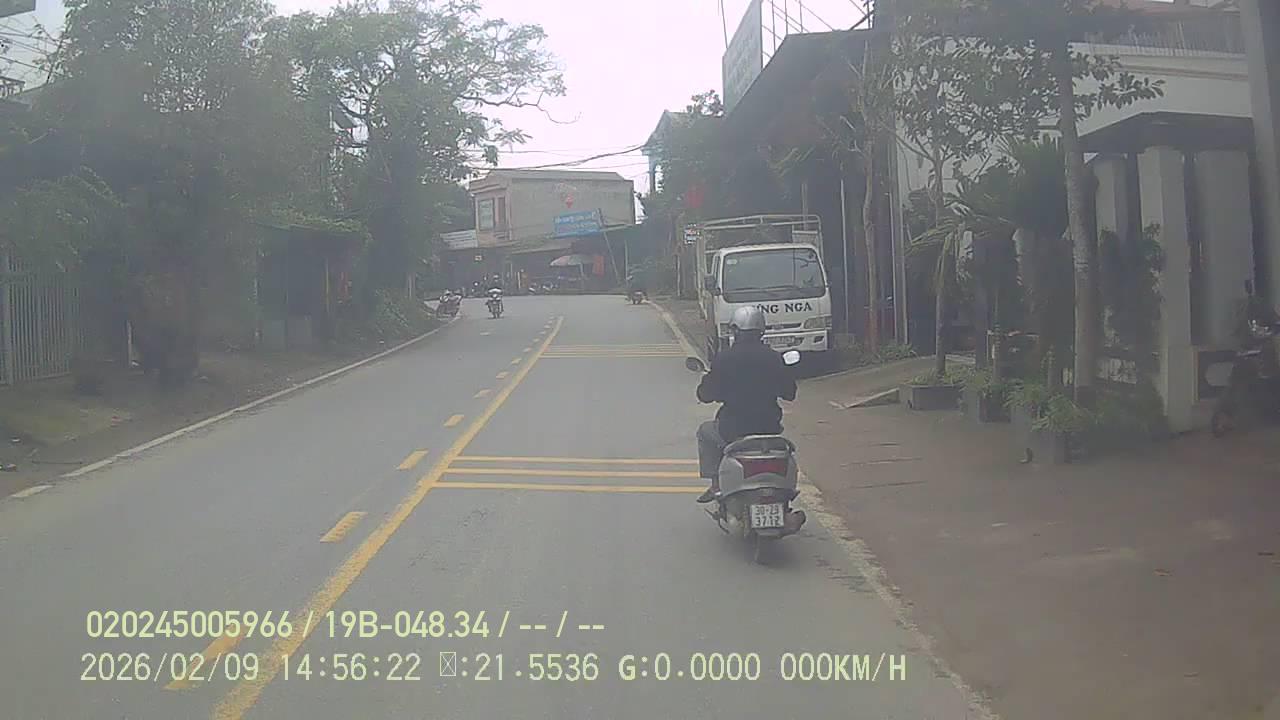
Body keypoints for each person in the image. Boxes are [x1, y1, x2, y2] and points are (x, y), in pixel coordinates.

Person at [694, 305, 797, 503]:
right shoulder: (774, 358)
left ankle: (716, 485)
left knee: (705, 432)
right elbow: (790, 393)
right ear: (761, 330)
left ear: (735, 330)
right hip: (769, 427)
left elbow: (705, 395)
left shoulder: (724, 358)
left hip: (732, 430)